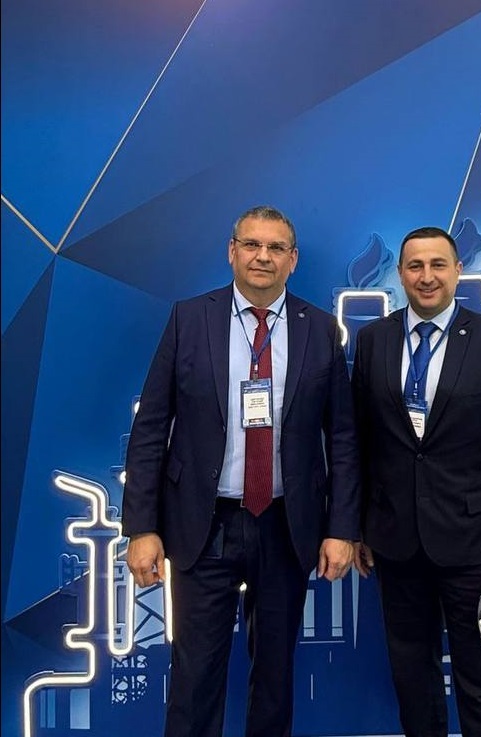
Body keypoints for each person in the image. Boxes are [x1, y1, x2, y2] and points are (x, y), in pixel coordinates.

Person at [121, 205, 360, 737]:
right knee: (194, 676)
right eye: (251, 244)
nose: (262, 257)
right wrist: (140, 527)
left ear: (293, 260)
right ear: (232, 252)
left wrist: (342, 529)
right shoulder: (188, 319)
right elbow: (151, 427)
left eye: (276, 248)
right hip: (203, 524)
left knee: (274, 676)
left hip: (285, 524)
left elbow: (342, 437)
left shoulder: (321, 329)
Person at [351, 226, 481, 737]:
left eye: (438, 264)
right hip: (396, 543)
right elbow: (362, 443)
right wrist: (360, 526)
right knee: (412, 681)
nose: (427, 276)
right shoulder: (373, 341)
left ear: (458, 271)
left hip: (478, 548)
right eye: (415, 266)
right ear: (400, 274)